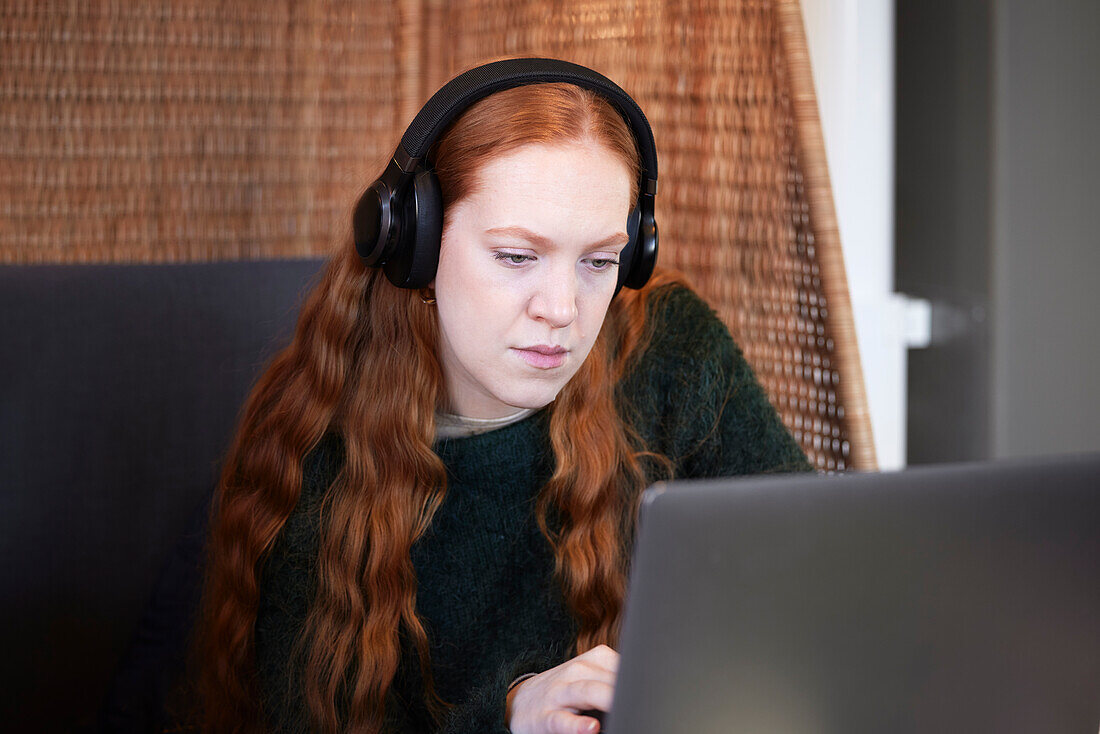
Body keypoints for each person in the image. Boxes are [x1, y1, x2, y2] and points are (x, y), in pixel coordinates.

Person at [196, 58, 811, 734]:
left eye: (599, 261)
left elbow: (813, 575)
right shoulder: (317, 446)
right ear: (418, 244)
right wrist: (511, 719)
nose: (562, 310)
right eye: (518, 256)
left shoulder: (672, 351)